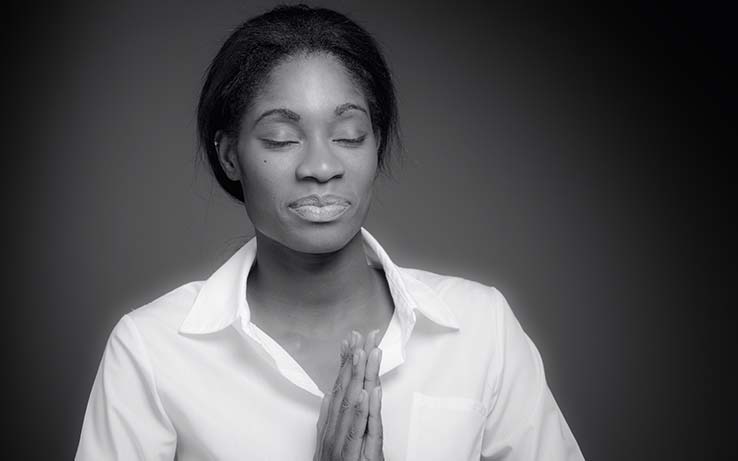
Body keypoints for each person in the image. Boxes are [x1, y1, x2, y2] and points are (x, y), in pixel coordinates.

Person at [75, 4, 585, 460]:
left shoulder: (481, 330)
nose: (321, 166)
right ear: (230, 155)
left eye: (349, 135)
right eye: (281, 138)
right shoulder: (152, 350)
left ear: (375, 144)